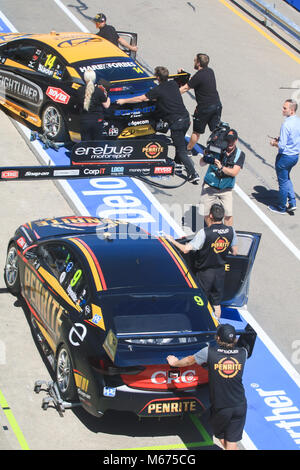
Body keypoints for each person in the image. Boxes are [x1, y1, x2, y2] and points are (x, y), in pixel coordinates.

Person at [167, 323, 253, 450]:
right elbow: (245, 344)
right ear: (234, 339)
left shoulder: (209, 352)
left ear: (218, 338)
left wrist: (175, 363)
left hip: (221, 406)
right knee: (231, 440)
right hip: (240, 404)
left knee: (221, 435)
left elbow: (189, 361)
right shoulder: (243, 353)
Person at [116, 66, 200, 183]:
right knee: (179, 142)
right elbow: (186, 79)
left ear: (157, 77)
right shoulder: (173, 84)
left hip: (176, 122)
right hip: (186, 119)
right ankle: (177, 164)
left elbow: (141, 99)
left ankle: (193, 173)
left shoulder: (157, 90)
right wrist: (181, 73)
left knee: (181, 149)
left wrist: (124, 101)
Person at [166, 203, 237, 319]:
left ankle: (197, 320)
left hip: (205, 273)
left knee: (199, 299)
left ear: (210, 215)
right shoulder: (231, 231)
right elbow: (234, 251)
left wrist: (171, 241)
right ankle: (216, 324)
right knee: (217, 303)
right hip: (220, 272)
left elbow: (185, 249)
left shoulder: (204, 233)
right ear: (223, 216)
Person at [200, 128, 245, 226]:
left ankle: (228, 236)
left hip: (226, 189)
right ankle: (212, 233)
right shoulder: (216, 149)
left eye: (232, 140)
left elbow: (234, 172)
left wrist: (221, 167)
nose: (230, 143)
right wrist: (206, 156)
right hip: (210, 186)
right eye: (228, 140)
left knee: (228, 215)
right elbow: (201, 163)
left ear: (236, 140)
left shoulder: (239, 154)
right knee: (205, 212)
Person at [179, 53, 222, 154]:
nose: (193, 62)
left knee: (197, 132)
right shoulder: (210, 71)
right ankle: (217, 151)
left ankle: (187, 150)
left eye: (194, 60)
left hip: (204, 108)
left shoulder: (199, 76)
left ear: (198, 63)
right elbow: (195, 81)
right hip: (217, 105)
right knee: (216, 131)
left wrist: (171, 94)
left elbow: (185, 88)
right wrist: (184, 74)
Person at [268, 99, 300, 214]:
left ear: (291, 111)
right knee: (286, 179)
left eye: (285, 108)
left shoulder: (286, 124)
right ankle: (292, 202)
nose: (282, 110)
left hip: (285, 157)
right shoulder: (298, 121)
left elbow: (281, 146)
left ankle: (281, 207)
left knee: (282, 182)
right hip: (295, 156)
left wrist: (274, 143)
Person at [77, 69, 110, 141]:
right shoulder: (99, 91)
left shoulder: (79, 90)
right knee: (97, 143)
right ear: (94, 78)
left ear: (84, 78)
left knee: (86, 143)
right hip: (97, 120)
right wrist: (107, 94)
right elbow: (106, 105)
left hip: (84, 120)